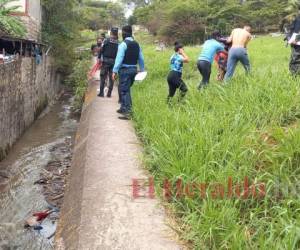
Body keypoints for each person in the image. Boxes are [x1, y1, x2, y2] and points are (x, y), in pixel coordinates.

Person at [112, 25, 145, 119]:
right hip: (134, 70)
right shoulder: (137, 44)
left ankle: (128, 112)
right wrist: (142, 70)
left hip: (125, 70)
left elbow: (119, 59)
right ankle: (123, 107)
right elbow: (141, 58)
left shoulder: (123, 44)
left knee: (125, 90)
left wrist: (114, 71)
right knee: (125, 89)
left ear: (123, 33)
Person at [98, 27, 119, 98]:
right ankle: (109, 93)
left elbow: (101, 49)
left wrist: (99, 58)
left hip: (105, 61)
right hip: (114, 62)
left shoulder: (106, 40)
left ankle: (101, 93)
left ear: (111, 33)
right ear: (117, 33)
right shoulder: (118, 42)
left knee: (103, 76)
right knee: (112, 78)